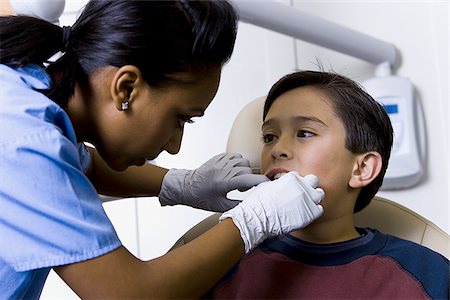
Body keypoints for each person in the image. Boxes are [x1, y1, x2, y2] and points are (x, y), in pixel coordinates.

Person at [0, 1, 326, 298]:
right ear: (126, 87)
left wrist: (178, 184)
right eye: (180, 119)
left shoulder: (30, 96)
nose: (174, 145)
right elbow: (132, 294)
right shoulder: (25, 140)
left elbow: (77, 165)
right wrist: (254, 221)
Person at [205, 70, 450, 299]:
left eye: (304, 133)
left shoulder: (427, 274)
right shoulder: (221, 263)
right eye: (270, 137)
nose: (277, 149)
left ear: (362, 168)